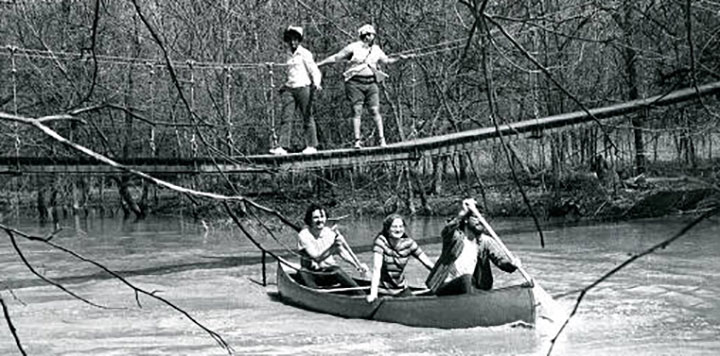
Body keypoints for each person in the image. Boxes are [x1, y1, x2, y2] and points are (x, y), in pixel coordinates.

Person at [317, 24, 414, 149]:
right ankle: (357, 140)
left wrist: (401, 59)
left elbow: (387, 61)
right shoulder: (353, 47)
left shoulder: (376, 49)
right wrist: (319, 64)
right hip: (355, 83)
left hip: (371, 83)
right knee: (357, 110)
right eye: (366, 35)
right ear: (362, 36)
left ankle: (382, 139)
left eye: (371, 35)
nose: (369, 37)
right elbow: (336, 57)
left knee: (375, 110)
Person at [425, 198, 521, 296]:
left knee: (469, 281)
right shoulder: (456, 237)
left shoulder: (485, 242)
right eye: (476, 217)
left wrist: (512, 264)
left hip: (468, 288)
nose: (480, 221)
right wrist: (462, 213)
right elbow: (447, 231)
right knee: (466, 279)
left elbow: (500, 260)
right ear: (466, 220)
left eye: (483, 219)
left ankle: (477, 300)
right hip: (444, 286)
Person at [270, 26, 323, 156]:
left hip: (303, 87)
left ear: (299, 40)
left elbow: (314, 70)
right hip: (290, 88)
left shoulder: (305, 54)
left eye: (295, 40)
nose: (293, 43)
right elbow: (289, 73)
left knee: (307, 116)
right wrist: (284, 85)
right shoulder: (287, 55)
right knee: (286, 116)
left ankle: (311, 145)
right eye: (290, 40)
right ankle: (283, 146)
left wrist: (317, 83)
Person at [296, 203, 369, 290]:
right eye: (316, 218)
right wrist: (333, 247)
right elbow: (316, 258)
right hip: (311, 274)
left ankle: (361, 293)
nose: (320, 220)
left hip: (328, 272)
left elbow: (342, 252)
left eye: (322, 217)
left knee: (337, 270)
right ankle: (318, 296)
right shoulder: (304, 235)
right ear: (309, 219)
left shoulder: (329, 233)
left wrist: (357, 265)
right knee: (303, 272)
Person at [366, 214, 434, 303]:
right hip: (383, 291)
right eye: (394, 227)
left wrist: (446, 276)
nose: (398, 230)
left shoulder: (409, 243)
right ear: (387, 229)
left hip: (401, 290)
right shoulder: (381, 242)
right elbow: (376, 268)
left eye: (401, 226)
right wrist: (373, 294)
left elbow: (428, 263)